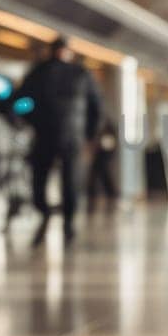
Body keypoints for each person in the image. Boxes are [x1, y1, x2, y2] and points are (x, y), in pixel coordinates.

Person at [11, 38, 104, 244]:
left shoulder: (40, 72)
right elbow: (97, 108)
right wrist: (88, 134)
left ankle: (48, 214)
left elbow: (20, 101)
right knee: (68, 181)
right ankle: (66, 224)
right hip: (71, 137)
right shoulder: (81, 74)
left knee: (42, 179)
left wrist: (29, 121)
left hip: (47, 134)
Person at [87, 117, 120, 214]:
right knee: (97, 176)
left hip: (104, 157)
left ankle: (111, 194)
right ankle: (94, 194)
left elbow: (110, 144)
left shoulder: (108, 129)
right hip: (99, 156)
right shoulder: (98, 129)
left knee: (104, 176)